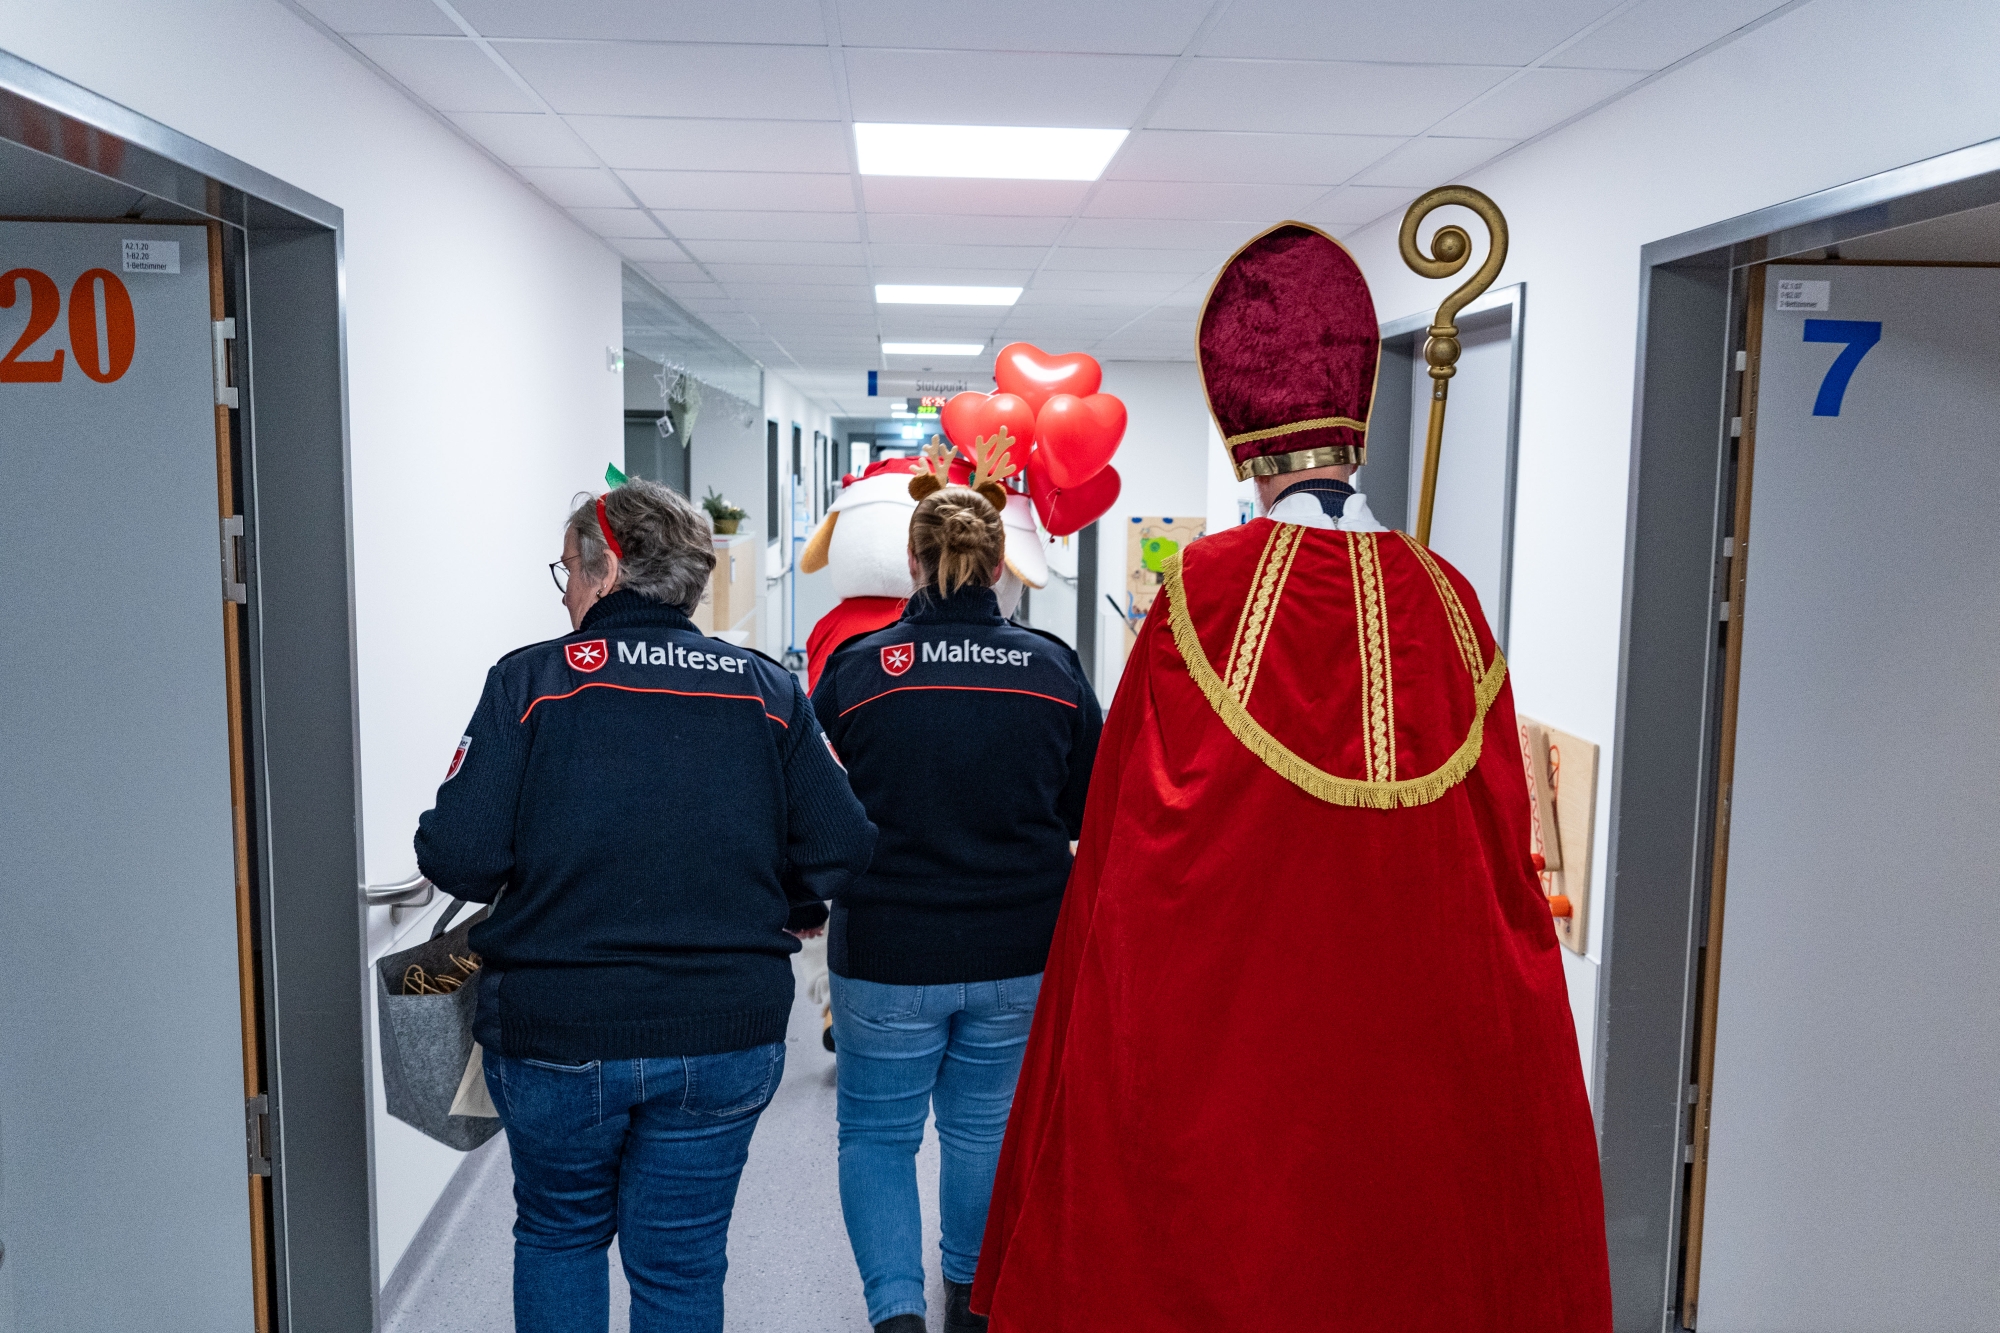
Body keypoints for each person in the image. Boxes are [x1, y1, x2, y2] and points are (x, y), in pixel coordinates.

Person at [974, 223, 1614, 1331]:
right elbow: (1501, 861)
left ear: (1246, 448)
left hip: (1229, 1054)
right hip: (1414, 1064)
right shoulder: (1449, 598)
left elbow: (1127, 845)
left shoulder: (1201, 590)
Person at [413, 478, 877, 1333]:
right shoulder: (766, 690)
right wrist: (782, 895)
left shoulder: (532, 681)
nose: (565, 593)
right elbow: (844, 845)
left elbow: (461, 856)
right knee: (681, 1259)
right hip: (723, 1029)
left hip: (560, 1031)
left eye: (565, 572)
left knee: (559, 1233)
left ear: (604, 570)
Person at [810, 438, 1102, 1333]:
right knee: (983, 1134)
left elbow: (811, 808)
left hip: (889, 950)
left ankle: (896, 1315)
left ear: (911, 558)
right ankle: (970, 1304)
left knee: (878, 1137)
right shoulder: (1054, 670)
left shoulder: (855, 673)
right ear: (997, 565)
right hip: (1018, 948)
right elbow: (1091, 803)